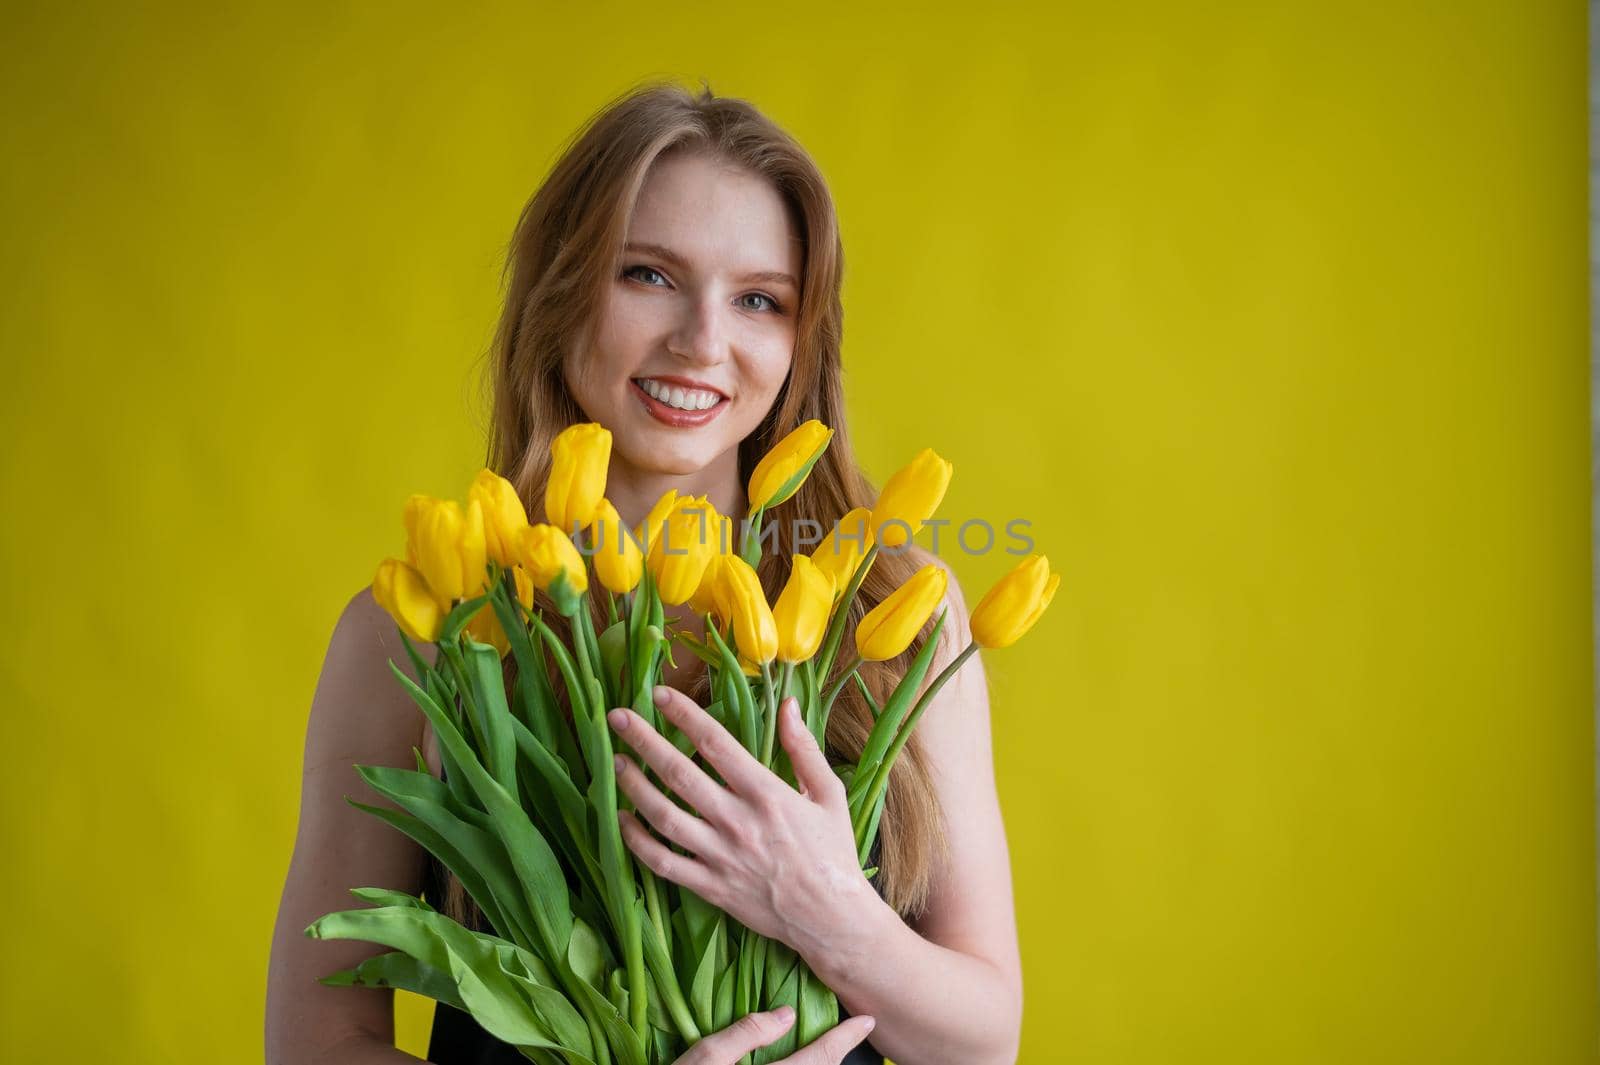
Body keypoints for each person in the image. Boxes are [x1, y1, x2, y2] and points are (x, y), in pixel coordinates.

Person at [266, 80, 1022, 1065]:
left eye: (759, 299)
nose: (703, 341)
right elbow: (318, 1043)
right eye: (649, 276)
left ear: (801, 339)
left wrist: (835, 917)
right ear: (560, 289)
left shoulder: (890, 603)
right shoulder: (421, 629)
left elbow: (984, 1043)